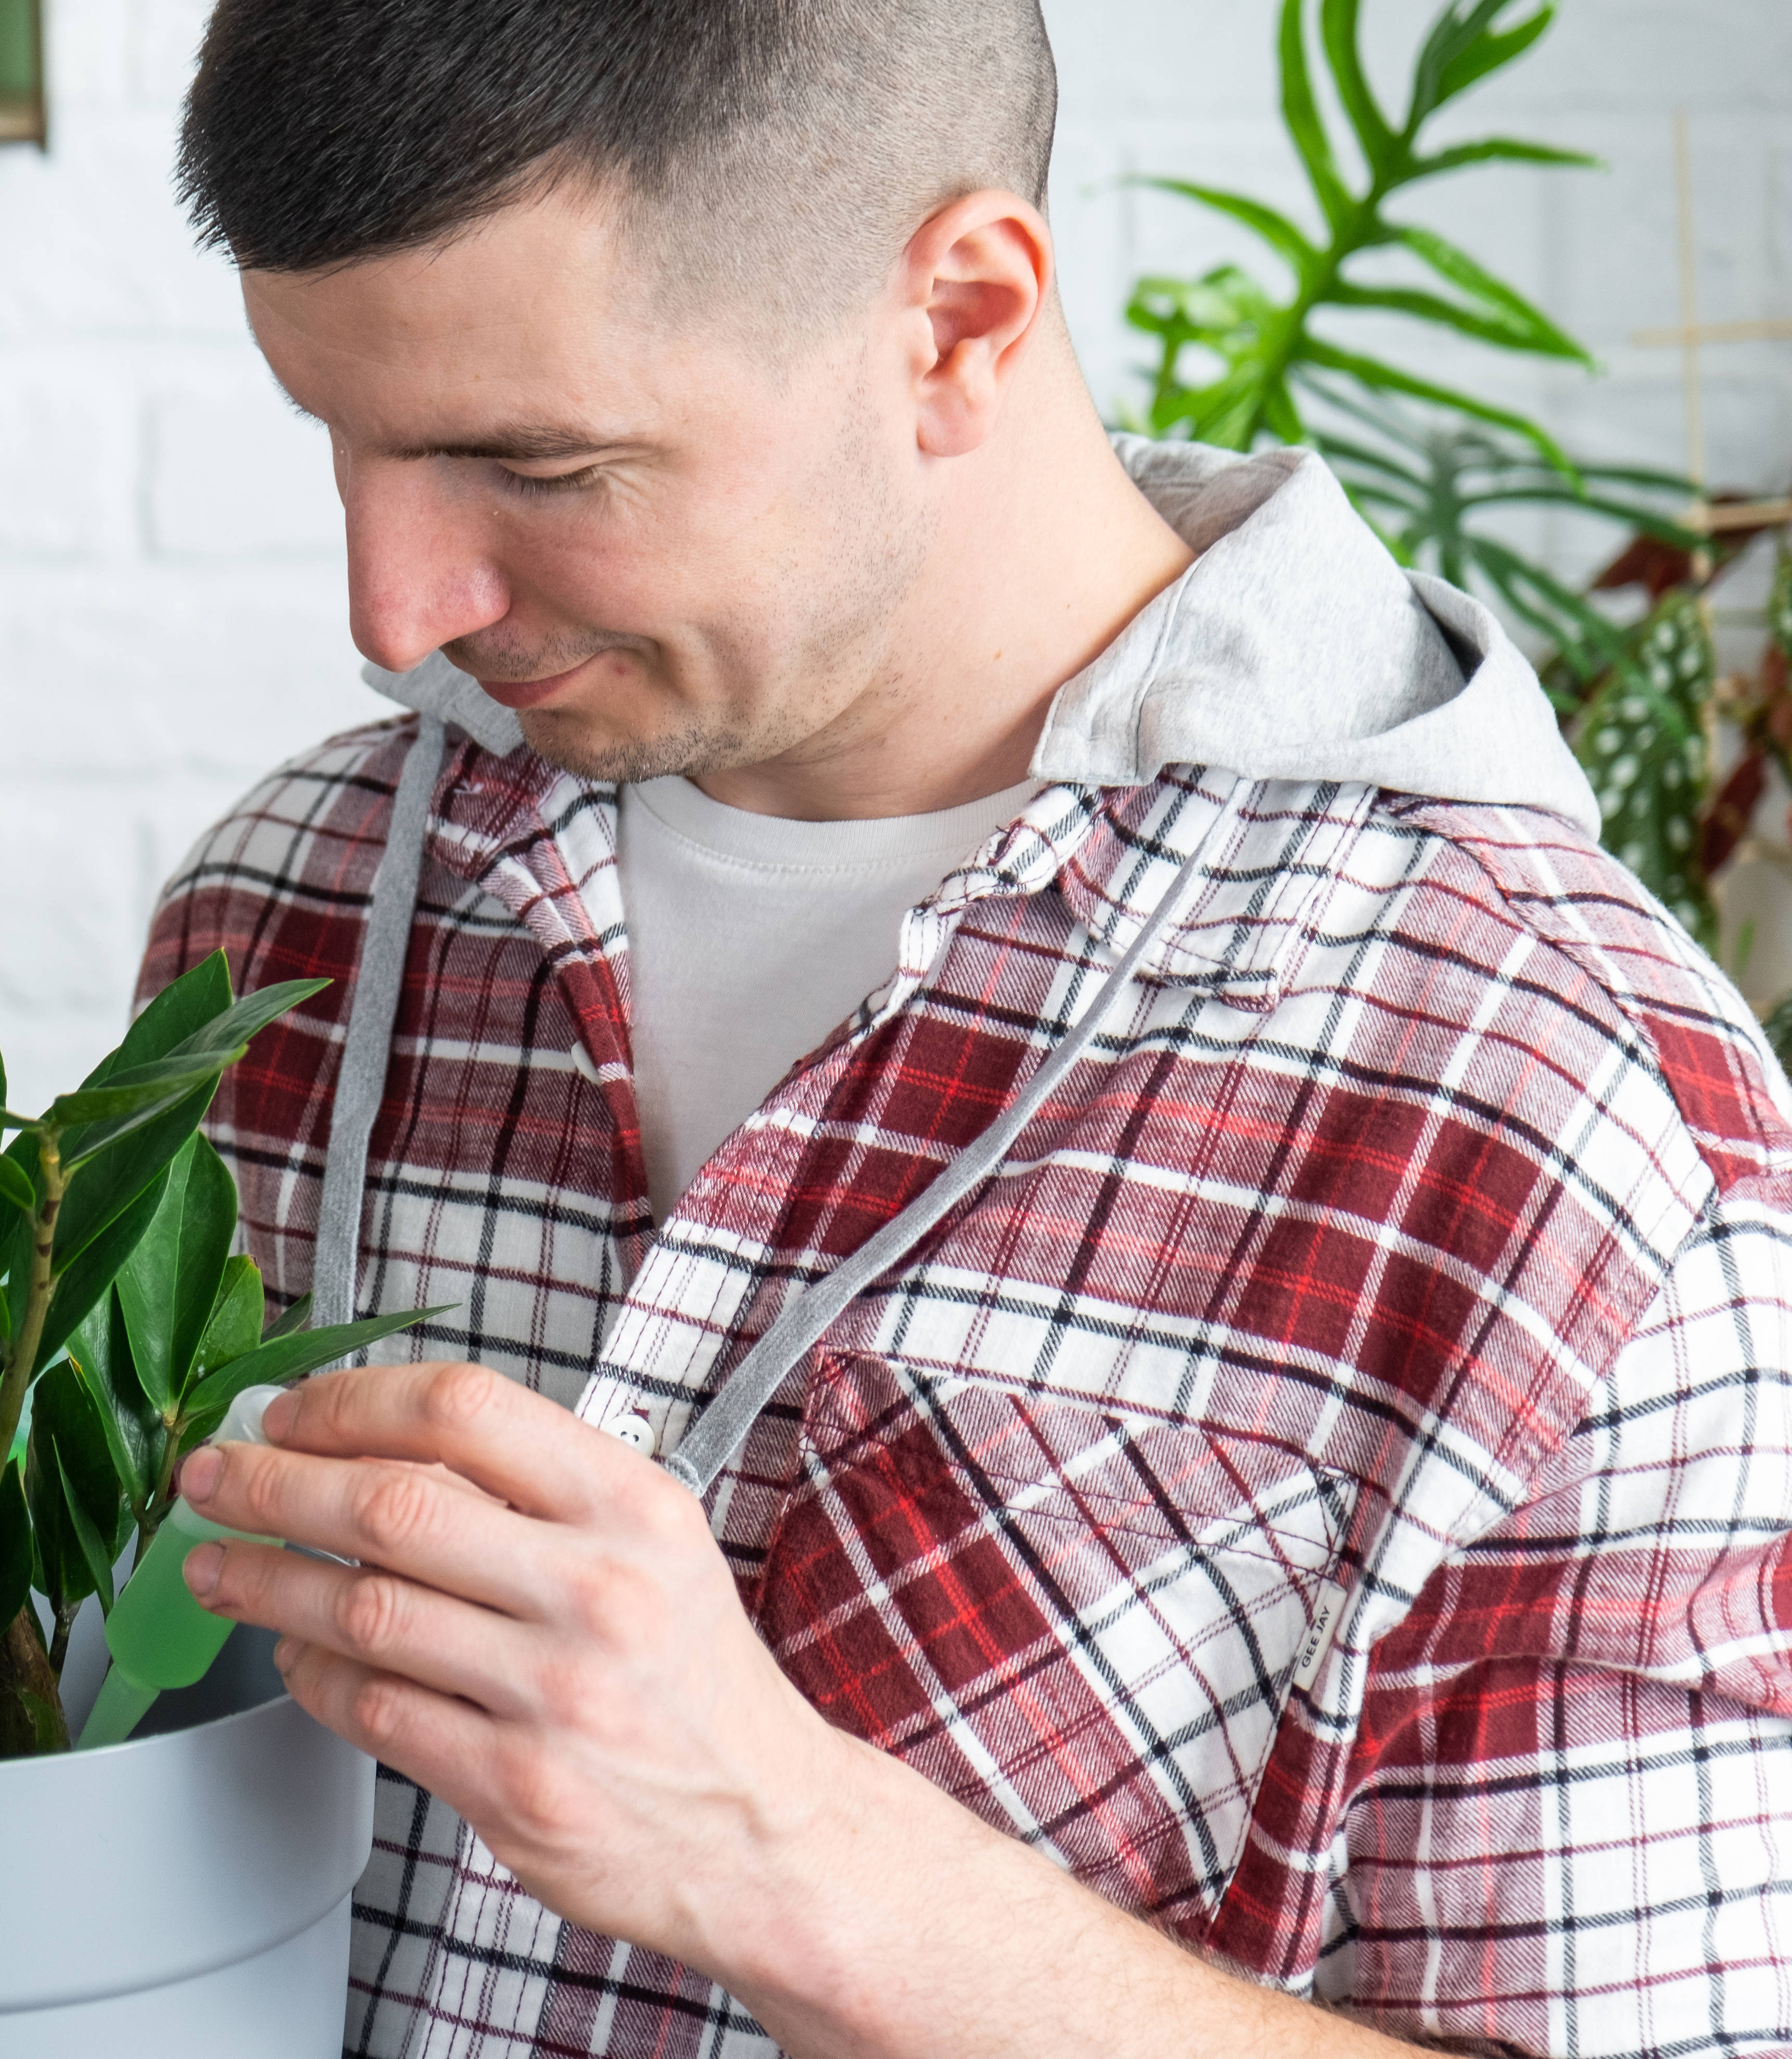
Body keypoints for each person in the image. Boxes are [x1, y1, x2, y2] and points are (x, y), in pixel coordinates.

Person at [131, 4, 1792, 2056]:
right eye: (342, 434)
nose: (392, 605)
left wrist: (787, 1849)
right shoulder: (280, 907)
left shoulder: (1558, 1101)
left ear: (953, 319)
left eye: (534, 465)